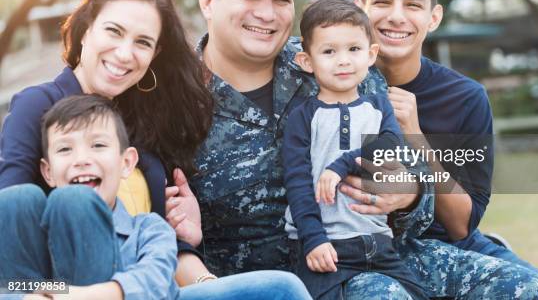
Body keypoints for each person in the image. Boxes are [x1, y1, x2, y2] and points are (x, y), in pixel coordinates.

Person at [0, 0, 310, 296]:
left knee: (280, 289)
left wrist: (203, 272)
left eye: (142, 43)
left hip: (149, 287)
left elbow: (165, 248)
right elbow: (12, 220)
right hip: (63, 289)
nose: (124, 54)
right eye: (114, 32)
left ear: (154, 54)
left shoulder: (141, 122)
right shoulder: (40, 105)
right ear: (85, 30)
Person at [188, 0, 435, 300]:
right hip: (264, 285)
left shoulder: (336, 58)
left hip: (384, 256)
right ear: (208, 2)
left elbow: (420, 191)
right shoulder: (174, 99)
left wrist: (410, 194)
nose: (266, 14)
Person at [356, 0, 538, 299]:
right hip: (368, 255)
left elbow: (461, 225)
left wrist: (414, 135)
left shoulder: (466, 97)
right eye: (382, 2)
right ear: (360, 9)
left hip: (455, 250)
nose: (396, 17)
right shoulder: (332, 84)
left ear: (434, 17)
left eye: (413, 5)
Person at [0, 95, 311, 300]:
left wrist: (91, 294)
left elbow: (156, 280)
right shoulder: (33, 230)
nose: (82, 159)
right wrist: (43, 293)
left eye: (97, 146)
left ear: (127, 163)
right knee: (17, 199)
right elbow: (11, 287)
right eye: (66, 149)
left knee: (282, 287)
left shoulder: (148, 228)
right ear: (48, 171)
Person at [282, 0, 427, 300]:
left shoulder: (378, 107)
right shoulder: (303, 117)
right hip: (328, 247)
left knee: (418, 294)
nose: (344, 60)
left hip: (378, 242)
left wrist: (341, 165)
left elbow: (390, 145)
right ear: (306, 61)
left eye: (354, 49)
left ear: (371, 54)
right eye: (329, 51)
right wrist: (313, 239)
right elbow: (297, 185)